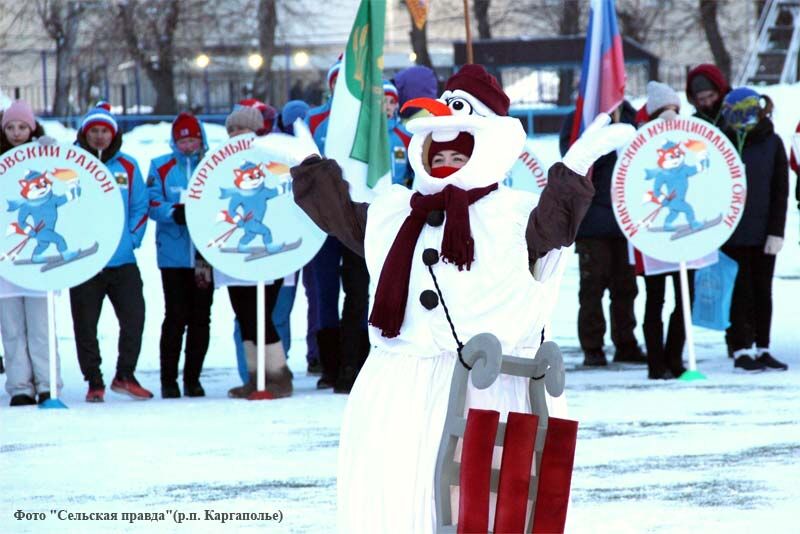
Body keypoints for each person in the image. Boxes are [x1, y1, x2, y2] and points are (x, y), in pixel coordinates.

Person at [288, 63, 634, 532]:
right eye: (438, 154)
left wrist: (574, 171)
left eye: (458, 155)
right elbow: (342, 217)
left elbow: (552, 229)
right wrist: (311, 171)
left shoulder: (513, 216)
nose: (445, 165)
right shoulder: (394, 212)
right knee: (400, 504)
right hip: (400, 389)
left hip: (491, 392)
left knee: (485, 512)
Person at [70, 101, 152, 402]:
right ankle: (94, 380)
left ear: (113, 133)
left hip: (122, 260)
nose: (100, 136)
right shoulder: (71, 163)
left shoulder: (128, 165)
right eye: (95, 131)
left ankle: (125, 375)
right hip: (84, 261)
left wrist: (131, 239)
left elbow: (140, 206)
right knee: (85, 324)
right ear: (85, 133)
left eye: (105, 130)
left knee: (134, 318)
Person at [560, 101, 646, 366]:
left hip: (626, 221)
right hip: (592, 223)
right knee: (592, 288)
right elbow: (571, 156)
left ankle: (626, 343)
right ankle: (593, 347)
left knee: (626, 288)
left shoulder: (631, 117)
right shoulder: (580, 119)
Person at [305, 58, 371, 393]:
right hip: (324, 224)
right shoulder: (315, 119)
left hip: (359, 220)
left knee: (359, 291)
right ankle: (330, 366)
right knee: (324, 293)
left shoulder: (372, 122)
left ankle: (354, 362)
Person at [633, 82, 704, 380]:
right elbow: (631, 182)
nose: (669, 116)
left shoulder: (688, 137)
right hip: (652, 238)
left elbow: (703, 165)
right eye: (663, 111)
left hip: (687, 236)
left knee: (686, 298)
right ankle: (656, 363)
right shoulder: (639, 141)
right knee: (656, 299)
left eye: (673, 110)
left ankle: (674, 358)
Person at [221, 104, 292, 399]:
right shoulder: (219, 166)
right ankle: (254, 378)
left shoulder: (273, 157)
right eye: (232, 129)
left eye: (243, 128)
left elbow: (284, 192)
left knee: (261, 314)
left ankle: (277, 378)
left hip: (272, 255)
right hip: (233, 256)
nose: (237, 134)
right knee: (245, 317)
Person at [719, 88, 789, 372]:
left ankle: (763, 347)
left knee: (763, 291)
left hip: (763, 234)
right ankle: (741, 348)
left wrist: (776, 231)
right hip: (731, 234)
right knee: (739, 292)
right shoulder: (722, 141)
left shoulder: (772, 143)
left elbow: (779, 191)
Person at [0, 100, 63, 406]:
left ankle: (48, 383)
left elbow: (68, 180)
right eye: (10, 127)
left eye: (22, 126)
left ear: (32, 127)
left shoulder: (43, 156)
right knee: (11, 328)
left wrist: (53, 153)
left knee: (40, 326)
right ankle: (20, 386)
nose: (16, 133)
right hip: (6, 256)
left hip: (39, 259)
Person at [147, 112, 213, 398]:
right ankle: (168, 379)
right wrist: (175, 212)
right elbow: (151, 203)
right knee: (175, 316)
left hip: (204, 255)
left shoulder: (212, 164)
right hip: (173, 255)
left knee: (201, 317)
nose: (188, 145)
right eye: (182, 140)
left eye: (193, 139)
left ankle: (193, 378)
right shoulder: (160, 166)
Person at [384, 80, 412, 187]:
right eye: (383, 101)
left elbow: (415, 172)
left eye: (392, 102)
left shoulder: (406, 134)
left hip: (398, 198)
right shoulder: (365, 136)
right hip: (369, 199)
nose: (387, 107)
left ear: (396, 106)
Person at [685, 64, 731, 128]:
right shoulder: (695, 123)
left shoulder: (736, 114)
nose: (708, 103)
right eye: (701, 99)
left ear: (720, 91)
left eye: (711, 96)